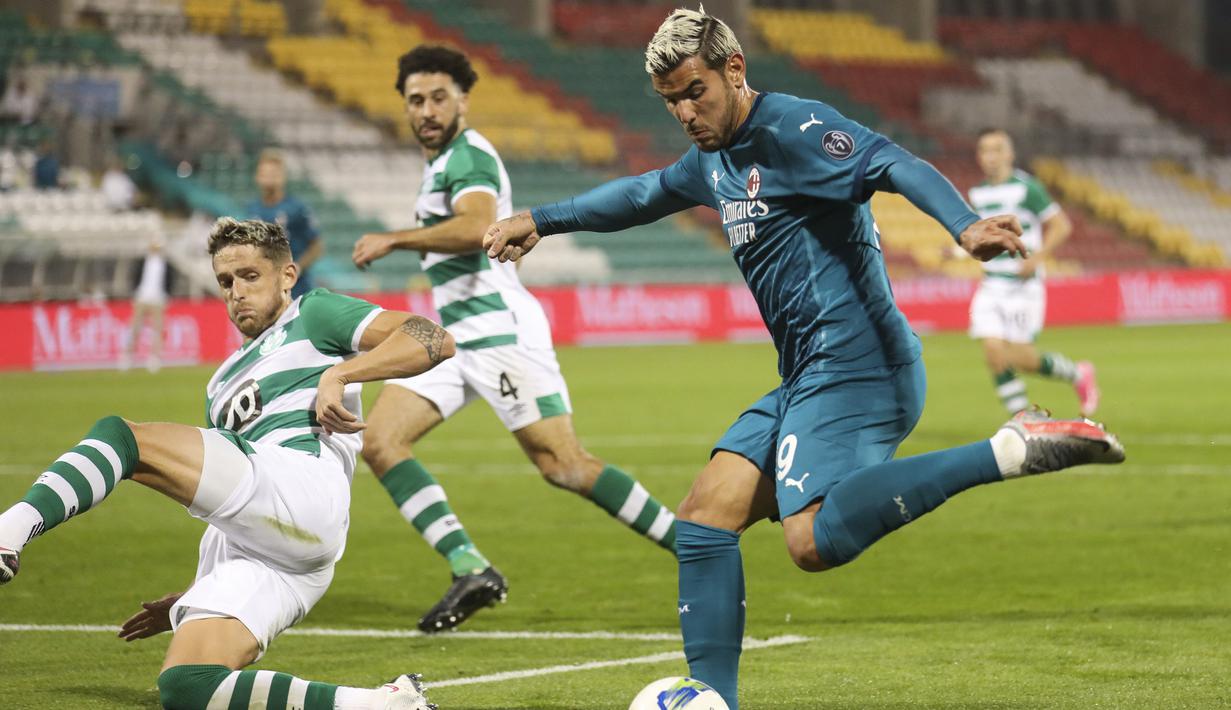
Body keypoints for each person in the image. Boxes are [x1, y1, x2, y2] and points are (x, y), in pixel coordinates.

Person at [482, 9, 1126, 708]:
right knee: (703, 520)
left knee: (811, 540)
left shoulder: (794, 128)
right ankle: (712, 697)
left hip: (861, 364)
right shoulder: (711, 162)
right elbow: (642, 193)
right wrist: (541, 219)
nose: (684, 111)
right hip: (805, 374)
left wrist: (963, 223)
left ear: (733, 70)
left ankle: (1009, 448)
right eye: (670, 101)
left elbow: (890, 160)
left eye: (694, 91)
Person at [0, 218, 443, 710]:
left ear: (288, 275)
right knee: (188, 686)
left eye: (250, 276)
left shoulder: (312, 315)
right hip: (280, 550)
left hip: (303, 485)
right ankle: (387, 703)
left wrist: (342, 371)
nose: (236, 292)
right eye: (226, 282)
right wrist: (198, 589)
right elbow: (232, 497)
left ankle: (9, 531)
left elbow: (431, 338)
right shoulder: (221, 383)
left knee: (122, 438)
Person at [349, 45, 679, 633]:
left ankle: (692, 546)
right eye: (415, 100)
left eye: (438, 98)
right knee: (379, 442)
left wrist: (396, 240)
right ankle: (469, 566)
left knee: (564, 465)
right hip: (454, 336)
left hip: (498, 334)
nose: (426, 110)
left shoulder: (467, 155)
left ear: (463, 101)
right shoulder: (439, 165)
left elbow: (478, 225)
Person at [968, 128, 1099, 416]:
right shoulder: (977, 194)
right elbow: (983, 236)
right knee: (993, 352)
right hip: (991, 286)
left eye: (997, 149)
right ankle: (1024, 420)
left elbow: (1062, 225)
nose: (990, 157)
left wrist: (1037, 258)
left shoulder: (1028, 188)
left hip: (1023, 287)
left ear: (1009, 154)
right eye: (985, 150)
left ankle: (1079, 374)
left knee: (1023, 359)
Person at [246, 149, 322, 299]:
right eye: (265, 174)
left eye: (274, 174)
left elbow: (317, 246)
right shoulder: (251, 210)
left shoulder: (297, 208)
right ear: (257, 177)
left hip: (298, 288)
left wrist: (298, 267)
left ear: (283, 177)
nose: (269, 179)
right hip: (267, 289)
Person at [123, 236, 170, 372]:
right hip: (142, 297)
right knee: (135, 328)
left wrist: (166, 295)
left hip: (158, 299)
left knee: (158, 330)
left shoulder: (165, 263)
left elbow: (168, 280)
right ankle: (128, 356)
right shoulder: (143, 261)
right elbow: (134, 276)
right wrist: (135, 292)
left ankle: (155, 358)